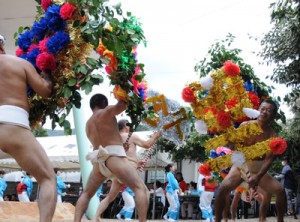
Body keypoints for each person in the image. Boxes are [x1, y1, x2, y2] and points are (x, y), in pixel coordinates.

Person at [0, 34, 57, 221]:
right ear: (2, 46)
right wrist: (48, 75)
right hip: (12, 124)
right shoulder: (18, 63)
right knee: (48, 179)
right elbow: (45, 91)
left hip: (11, 123)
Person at [74, 94, 150, 222]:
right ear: (104, 102)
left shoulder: (87, 125)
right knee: (140, 188)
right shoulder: (106, 111)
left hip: (98, 162)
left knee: (86, 193)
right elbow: (122, 105)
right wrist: (125, 88)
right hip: (114, 157)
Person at [214, 99, 286, 222]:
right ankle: (218, 220)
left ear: (273, 116)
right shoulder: (245, 126)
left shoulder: (273, 136)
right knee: (222, 189)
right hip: (240, 167)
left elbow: (269, 160)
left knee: (280, 191)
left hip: (258, 168)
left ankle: (280, 220)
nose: (264, 112)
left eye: (269, 111)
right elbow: (235, 147)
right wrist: (229, 138)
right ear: (258, 110)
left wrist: (258, 177)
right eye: (262, 109)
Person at [93, 118, 161, 220]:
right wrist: (156, 135)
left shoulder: (113, 139)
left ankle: (95, 217)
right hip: (128, 169)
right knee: (144, 192)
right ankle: (142, 220)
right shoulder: (131, 136)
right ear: (126, 126)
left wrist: (138, 163)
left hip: (117, 170)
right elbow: (146, 144)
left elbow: (122, 155)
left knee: (110, 197)